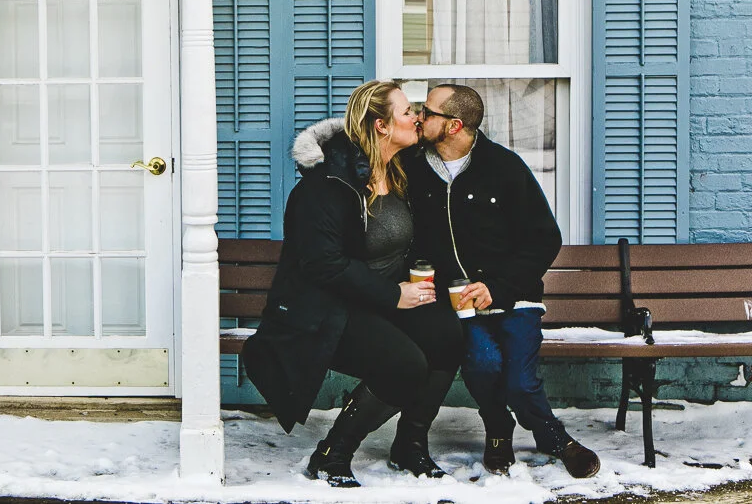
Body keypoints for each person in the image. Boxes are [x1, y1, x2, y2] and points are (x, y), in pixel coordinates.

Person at [242, 80, 464, 488]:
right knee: (404, 363)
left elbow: (461, 152)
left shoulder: (400, 170)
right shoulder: (326, 185)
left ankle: (410, 447)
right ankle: (333, 453)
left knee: (448, 334)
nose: (417, 118)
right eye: (407, 112)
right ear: (381, 125)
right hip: (328, 309)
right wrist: (393, 294)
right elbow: (322, 265)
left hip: (382, 300)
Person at [401, 83, 601, 479]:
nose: (420, 116)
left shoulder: (504, 167)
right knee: (482, 365)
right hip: (458, 301)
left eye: (429, 110)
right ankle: (498, 428)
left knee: (521, 383)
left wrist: (500, 286)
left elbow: (545, 238)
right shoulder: (412, 166)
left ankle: (552, 436)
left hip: (515, 297)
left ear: (454, 125)